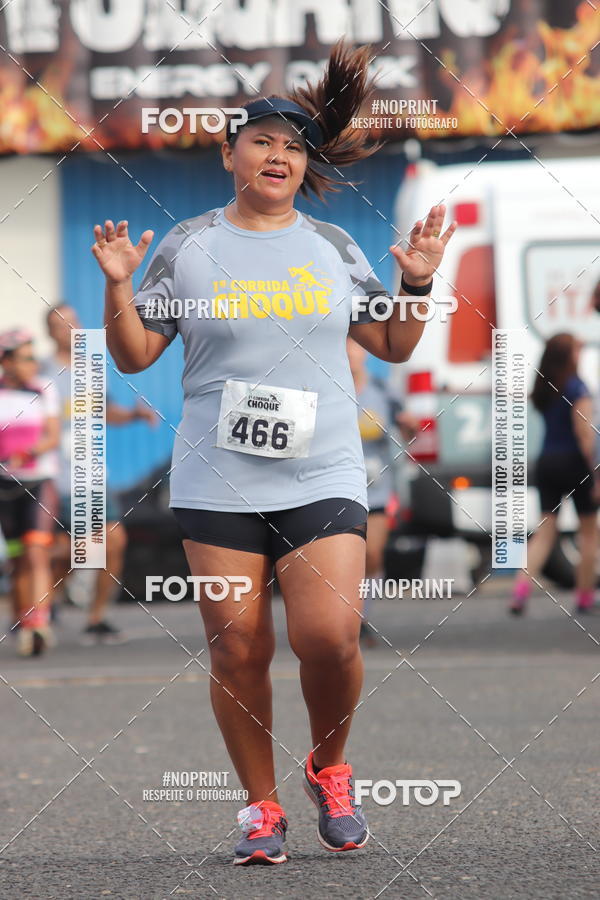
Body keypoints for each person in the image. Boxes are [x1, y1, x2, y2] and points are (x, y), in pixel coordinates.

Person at [91, 40, 456, 866]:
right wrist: (119, 285)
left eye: (293, 145)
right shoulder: (187, 245)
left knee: (329, 637)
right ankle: (261, 807)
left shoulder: (332, 245)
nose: (278, 154)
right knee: (236, 643)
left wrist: (421, 283)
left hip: (322, 467)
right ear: (230, 155)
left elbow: (394, 344)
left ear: (302, 165)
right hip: (217, 477)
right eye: (261, 141)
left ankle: (329, 767)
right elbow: (136, 354)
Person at [39, 302, 158, 643]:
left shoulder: (89, 367)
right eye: (61, 324)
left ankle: (95, 618)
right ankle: (39, 605)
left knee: (112, 539)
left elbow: (104, 411)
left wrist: (134, 416)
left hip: (90, 473)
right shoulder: (41, 373)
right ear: (49, 332)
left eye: (74, 322)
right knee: (64, 548)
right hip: (54, 476)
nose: (70, 328)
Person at [510, 333, 600, 615]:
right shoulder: (577, 387)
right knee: (589, 532)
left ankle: (520, 590)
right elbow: (584, 433)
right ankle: (585, 596)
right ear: (570, 355)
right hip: (575, 463)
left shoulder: (545, 388)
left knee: (545, 531)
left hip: (547, 462)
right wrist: (596, 472)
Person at [0, 329, 60, 656]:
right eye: (25, 358)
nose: (32, 364)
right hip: (4, 486)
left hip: (39, 481)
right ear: (6, 361)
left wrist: (29, 452)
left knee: (36, 551)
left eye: (34, 357)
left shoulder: (44, 388)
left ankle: (39, 622)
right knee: (17, 558)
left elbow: (52, 435)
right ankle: (24, 621)